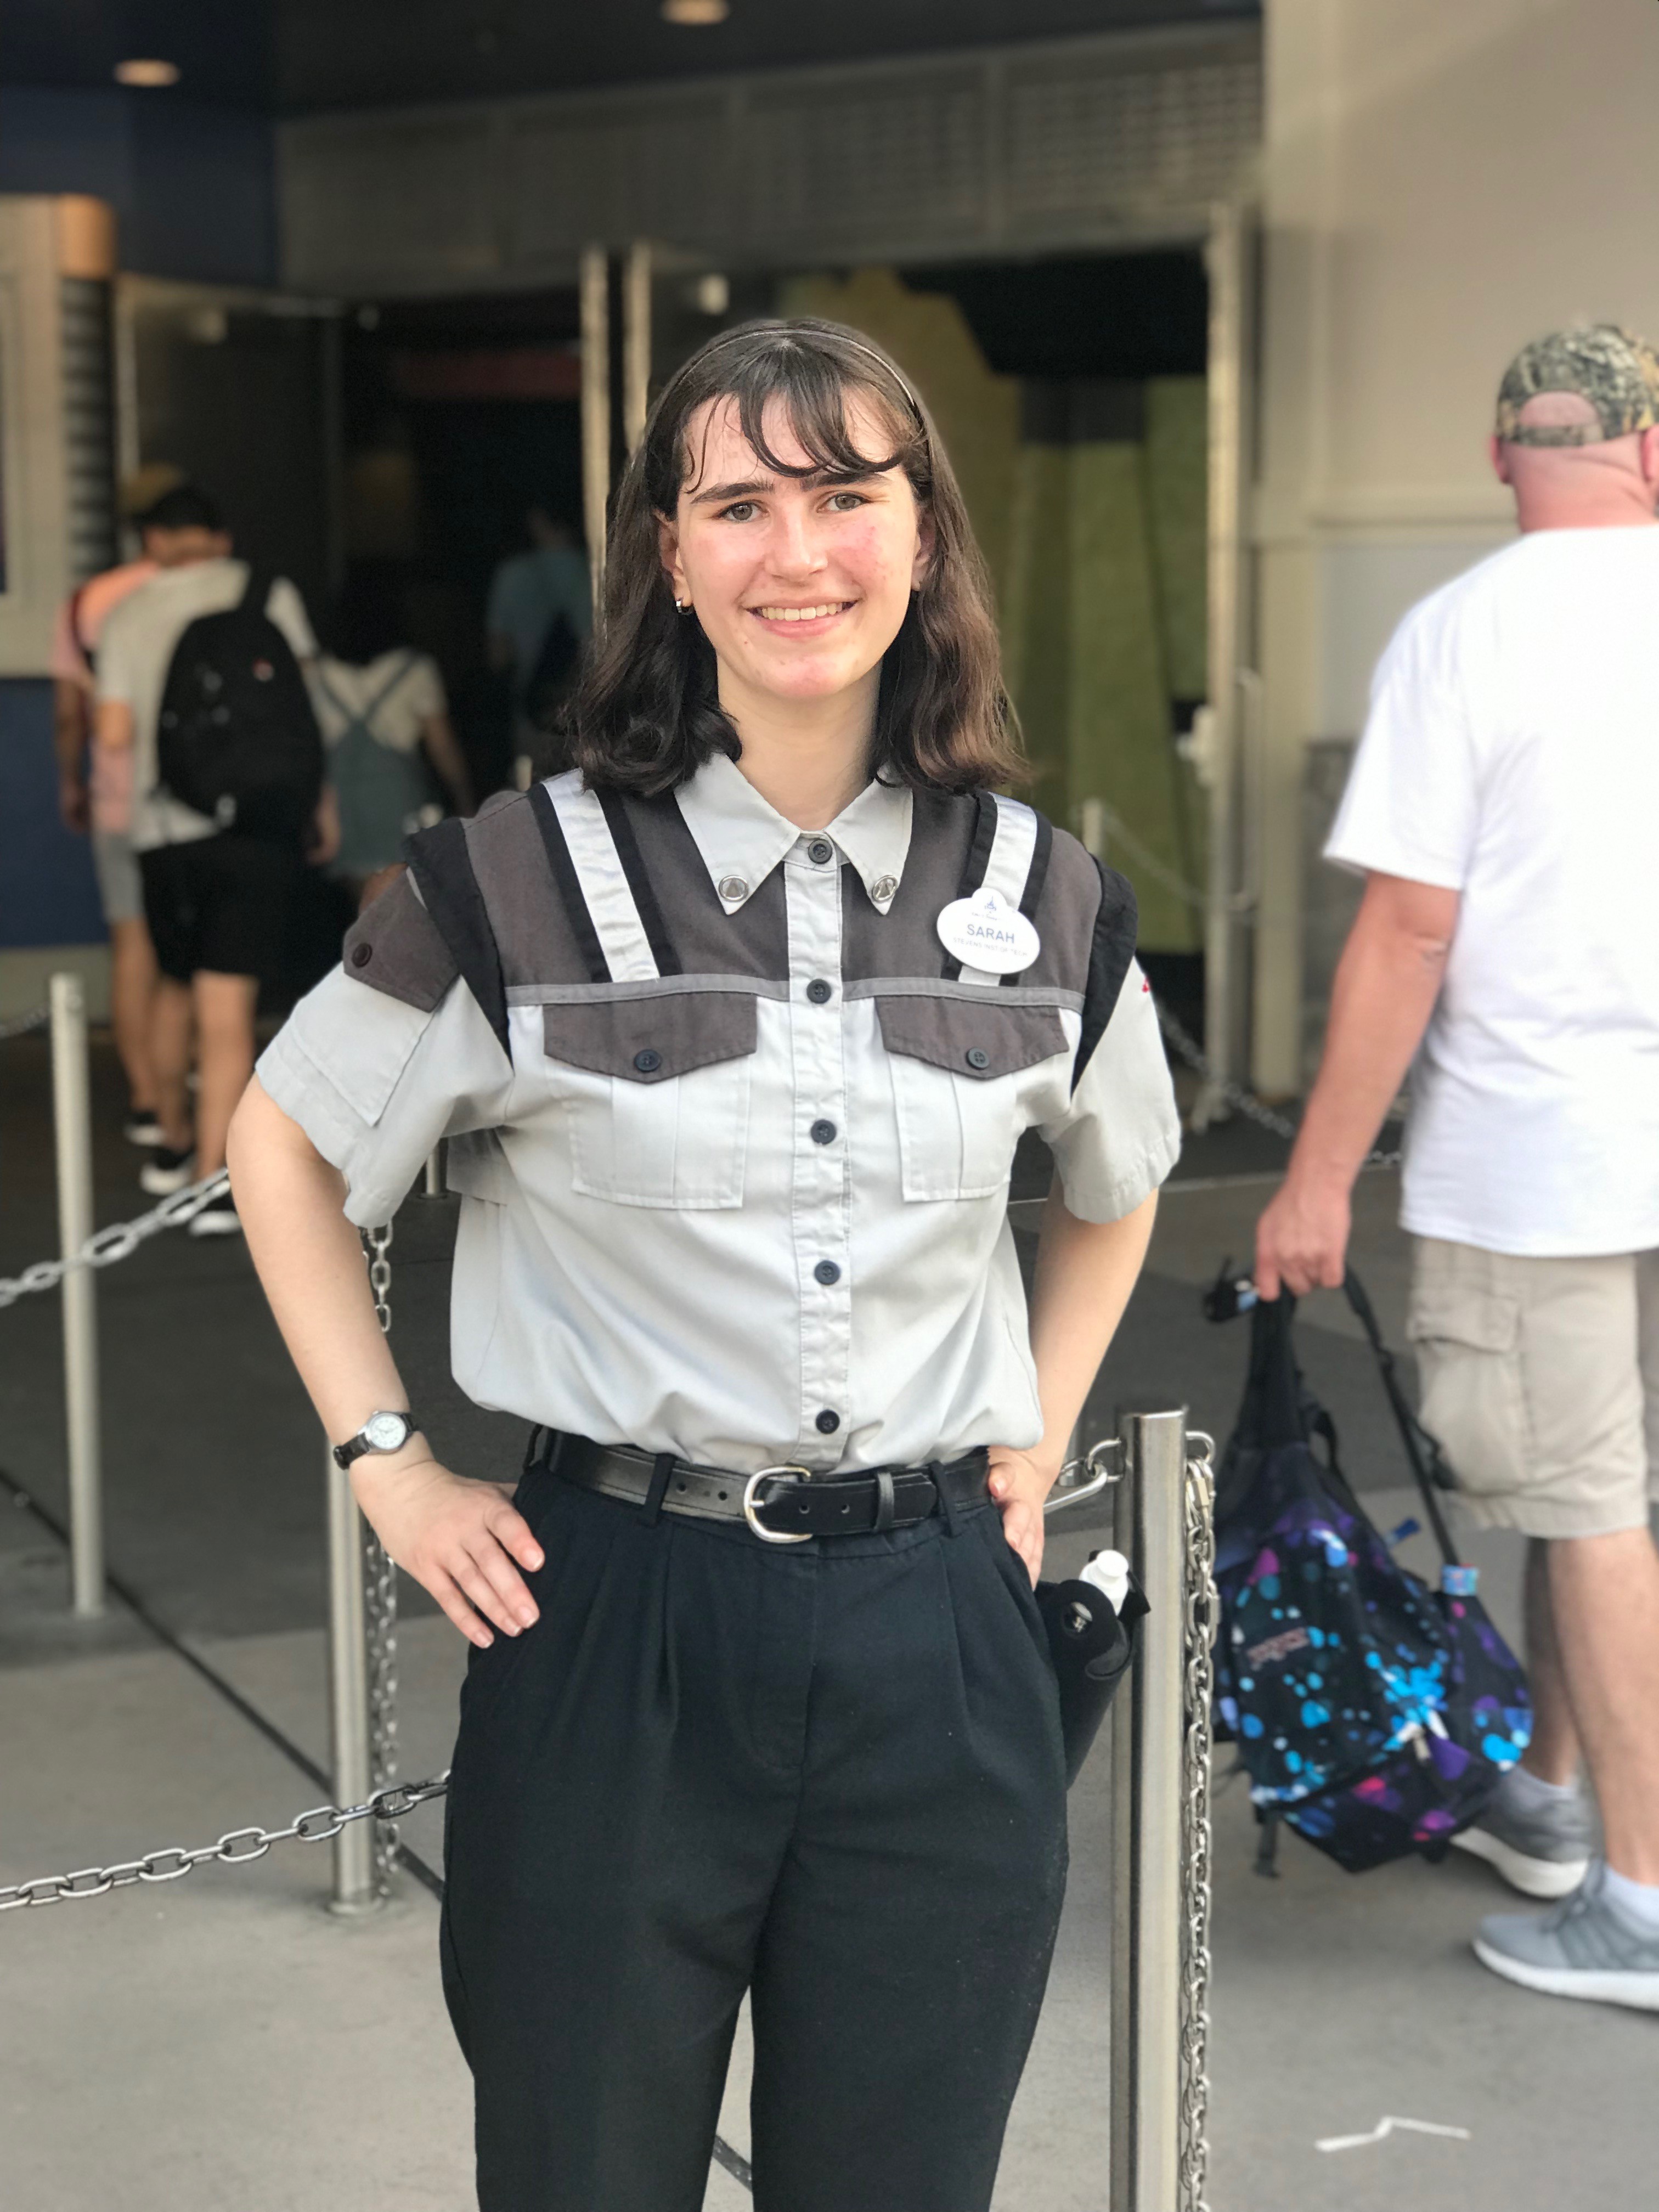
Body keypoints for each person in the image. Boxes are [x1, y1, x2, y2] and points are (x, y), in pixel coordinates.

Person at [227, 318, 1181, 2209]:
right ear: (670, 554)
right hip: (613, 1629)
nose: (795, 552)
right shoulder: (502, 882)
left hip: (935, 1636)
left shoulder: (1039, 891)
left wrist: (1031, 1435)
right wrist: (389, 1465)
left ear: (921, 537)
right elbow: (284, 1141)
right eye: (737, 503)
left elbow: (1114, 1175)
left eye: (845, 496)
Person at [1257, 325, 1659, 2011]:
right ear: (1650, 449)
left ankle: (1639, 1907)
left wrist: (1314, 1179)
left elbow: (1410, 931)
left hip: (1549, 1149)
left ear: (1504, 455)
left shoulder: (1464, 636)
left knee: (1587, 1507)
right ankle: (1557, 1810)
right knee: (1608, 1500)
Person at [94, 484, 335, 1238]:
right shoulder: (265, 593)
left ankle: (170, 1147)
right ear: (219, 536)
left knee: (174, 985)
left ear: (156, 543)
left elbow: (111, 731)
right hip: (251, 827)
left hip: (161, 827)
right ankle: (210, 1182)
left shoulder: (126, 614)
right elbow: (310, 709)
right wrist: (318, 807)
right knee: (226, 1007)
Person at [51, 550, 161, 1146]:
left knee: (133, 945)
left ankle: (147, 1097)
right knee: (196, 961)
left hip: (116, 797)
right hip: (193, 804)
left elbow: (73, 716)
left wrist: (72, 780)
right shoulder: (199, 590)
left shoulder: (84, 604)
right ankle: (189, 1087)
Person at [310, 569, 474, 901]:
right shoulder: (416, 669)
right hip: (398, 799)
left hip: (342, 803)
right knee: (400, 903)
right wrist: (465, 798)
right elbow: (442, 746)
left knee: (356, 906)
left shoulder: (317, 673)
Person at [485, 503, 592, 781]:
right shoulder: (600, 569)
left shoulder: (513, 575)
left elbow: (499, 656)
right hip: (593, 711)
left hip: (534, 712)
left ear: (538, 520)